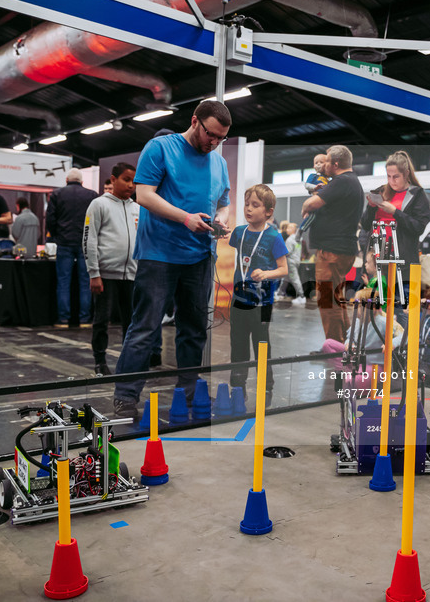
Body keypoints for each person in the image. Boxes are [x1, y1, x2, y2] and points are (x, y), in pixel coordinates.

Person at [112, 100, 232, 418]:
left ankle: (189, 392)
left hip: (199, 257)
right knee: (145, 328)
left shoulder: (218, 163)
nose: (214, 143)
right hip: (159, 255)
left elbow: (224, 201)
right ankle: (125, 395)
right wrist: (185, 218)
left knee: (193, 328)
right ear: (195, 121)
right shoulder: (161, 148)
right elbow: (144, 194)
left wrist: (222, 218)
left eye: (221, 138)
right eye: (211, 135)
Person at [228, 184, 288, 397]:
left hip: (262, 302)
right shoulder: (238, 233)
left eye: (255, 205)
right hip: (238, 298)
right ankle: (237, 384)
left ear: (269, 212)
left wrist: (265, 273)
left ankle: (266, 385)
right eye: (246, 204)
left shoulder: (274, 237)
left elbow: (284, 269)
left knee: (262, 344)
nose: (249, 209)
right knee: (238, 343)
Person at [360, 150, 430, 328]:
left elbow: (418, 227)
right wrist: (370, 207)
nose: (392, 181)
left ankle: (404, 349)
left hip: (404, 261)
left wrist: (395, 212)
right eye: (389, 176)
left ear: (406, 173)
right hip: (378, 260)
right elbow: (365, 224)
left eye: (396, 176)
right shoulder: (382, 191)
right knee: (378, 308)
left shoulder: (417, 195)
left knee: (402, 308)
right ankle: (382, 347)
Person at [301, 145, 364, 342]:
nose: (323, 164)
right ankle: (344, 342)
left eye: (326, 161)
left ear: (335, 164)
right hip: (340, 250)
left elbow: (311, 204)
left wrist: (305, 206)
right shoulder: (350, 182)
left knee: (328, 300)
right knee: (336, 300)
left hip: (332, 251)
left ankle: (335, 346)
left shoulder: (342, 181)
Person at [83, 162, 139, 377]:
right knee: (101, 319)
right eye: (126, 179)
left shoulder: (137, 208)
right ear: (113, 180)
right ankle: (99, 362)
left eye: (134, 181)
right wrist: (94, 273)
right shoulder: (98, 205)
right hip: (105, 275)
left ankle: (127, 362)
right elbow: (89, 239)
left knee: (130, 322)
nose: (131, 185)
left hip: (131, 275)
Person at [319, 287, 401, 389]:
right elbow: (350, 338)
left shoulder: (383, 322)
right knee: (328, 344)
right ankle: (346, 371)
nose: (355, 306)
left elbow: (403, 336)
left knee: (353, 382)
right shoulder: (357, 322)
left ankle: (354, 377)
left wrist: (392, 343)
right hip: (357, 360)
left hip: (374, 365)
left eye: (358, 303)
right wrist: (349, 343)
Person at [47, 168, 99, 327]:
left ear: (66, 180)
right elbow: (97, 218)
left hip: (64, 242)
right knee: (85, 281)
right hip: (85, 242)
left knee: (63, 281)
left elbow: (50, 219)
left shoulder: (56, 194)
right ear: (82, 182)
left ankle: (63, 319)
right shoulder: (91, 195)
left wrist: (56, 236)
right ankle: (84, 319)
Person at [280, 221, 305, 304]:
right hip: (296, 260)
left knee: (294, 279)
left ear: (292, 229)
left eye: (288, 228)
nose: (286, 230)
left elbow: (287, 252)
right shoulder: (298, 239)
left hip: (290, 262)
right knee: (286, 278)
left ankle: (301, 296)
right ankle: (280, 293)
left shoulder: (290, 240)